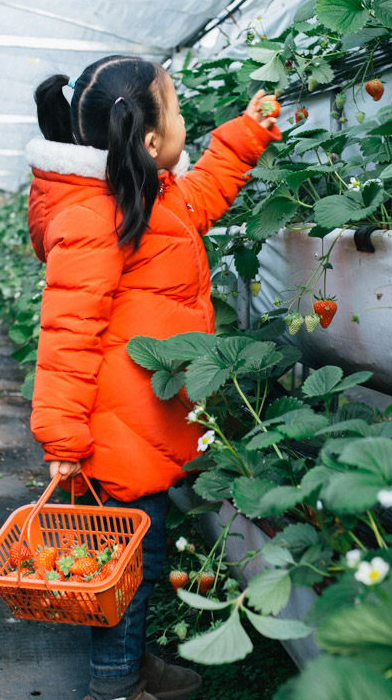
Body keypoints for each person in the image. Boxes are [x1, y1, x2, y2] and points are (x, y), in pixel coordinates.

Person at [25, 54, 282, 700]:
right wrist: (62, 442)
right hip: (113, 442)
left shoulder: (147, 194)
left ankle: (135, 667)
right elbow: (66, 337)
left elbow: (199, 197)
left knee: (141, 559)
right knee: (126, 570)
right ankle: (113, 686)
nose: (185, 119)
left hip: (140, 429)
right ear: (146, 140)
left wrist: (245, 133)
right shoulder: (92, 220)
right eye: (175, 108)